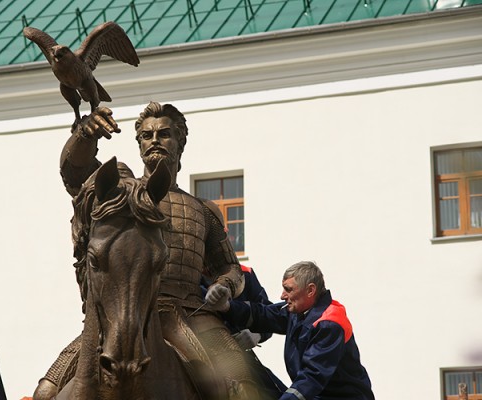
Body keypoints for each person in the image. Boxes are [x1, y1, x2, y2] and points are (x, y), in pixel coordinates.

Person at [35, 103, 259, 399]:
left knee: (242, 386)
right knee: (46, 391)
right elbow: (74, 173)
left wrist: (224, 287)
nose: (154, 139)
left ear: (180, 142)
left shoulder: (203, 211)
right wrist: (84, 136)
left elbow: (229, 267)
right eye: (145, 135)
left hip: (191, 313)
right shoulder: (119, 193)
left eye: (164, 133)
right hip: (122, 310)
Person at [215, 261, 374, 400]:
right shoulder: (299, 311)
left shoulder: (329, 323)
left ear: (310, 290)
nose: (282, 295)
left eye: (288, 289)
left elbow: (312, 377)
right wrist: (227, 307)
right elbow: (265, 314)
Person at [204, 264, 287, 399]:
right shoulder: (180, 272)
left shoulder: (242, 272)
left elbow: (268, 314)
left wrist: (258, 335)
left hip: (242, 357)